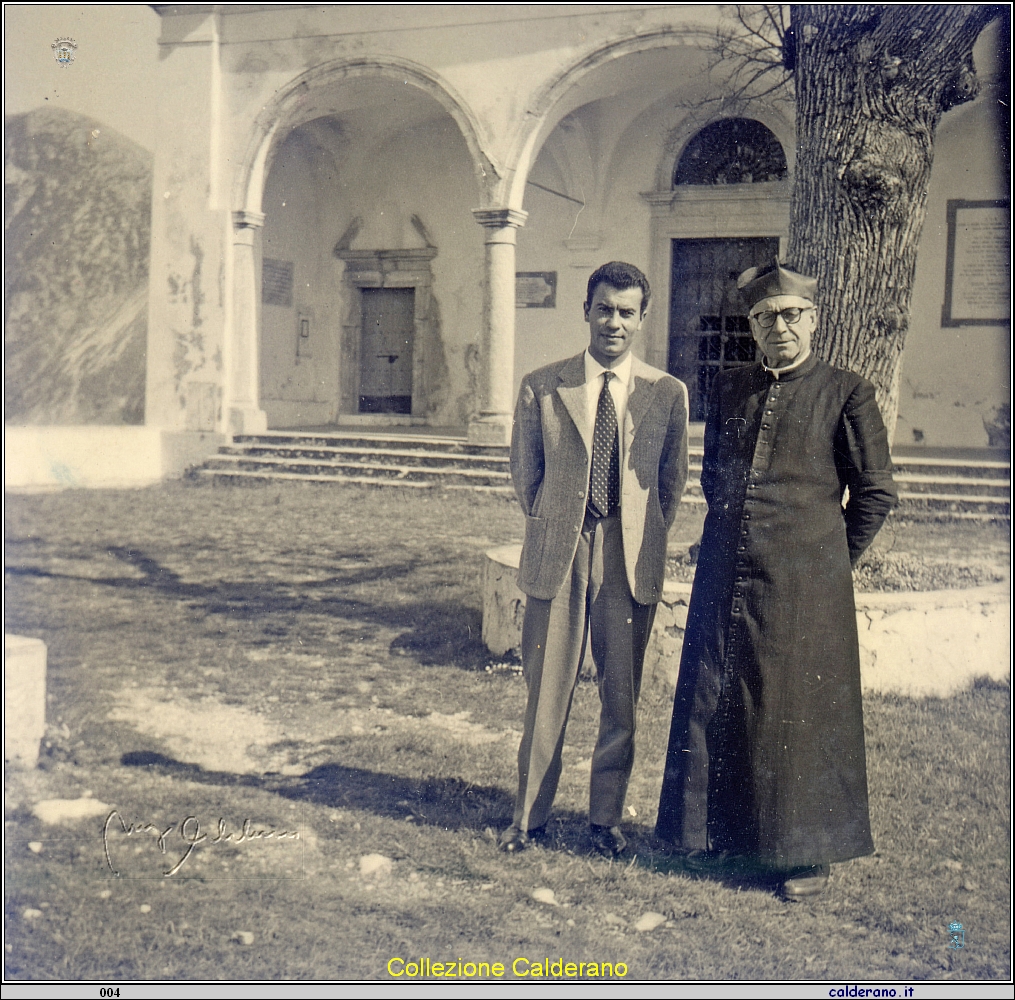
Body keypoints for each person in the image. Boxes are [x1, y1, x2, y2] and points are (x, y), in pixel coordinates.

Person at [655, 259, 898, 898]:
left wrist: (828, 562)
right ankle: (709, 838)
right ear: (752, 326)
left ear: (813, 320)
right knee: (716, 694)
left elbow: (875, 492)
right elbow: (714, 478)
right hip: (725, 569)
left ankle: (804, 855)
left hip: (803, 584)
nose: (779, 326)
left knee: (794, 708)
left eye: (791, 314)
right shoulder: (733, 388)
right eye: (765, 317)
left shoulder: (847, 392)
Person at [500, 261, 689, 856]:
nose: (614, 322)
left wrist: (633, 532)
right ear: (586, 311)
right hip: (562, 548)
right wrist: (560, 523)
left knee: (620, 696)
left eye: (626, 311)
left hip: (628, 555)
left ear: (642, 318)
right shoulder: (543, 385)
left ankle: (604, 821)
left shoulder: (666, 393)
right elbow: (526, 476)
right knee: (546, 689)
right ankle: (529, 819)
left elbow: (671, 482)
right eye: (604, 308)